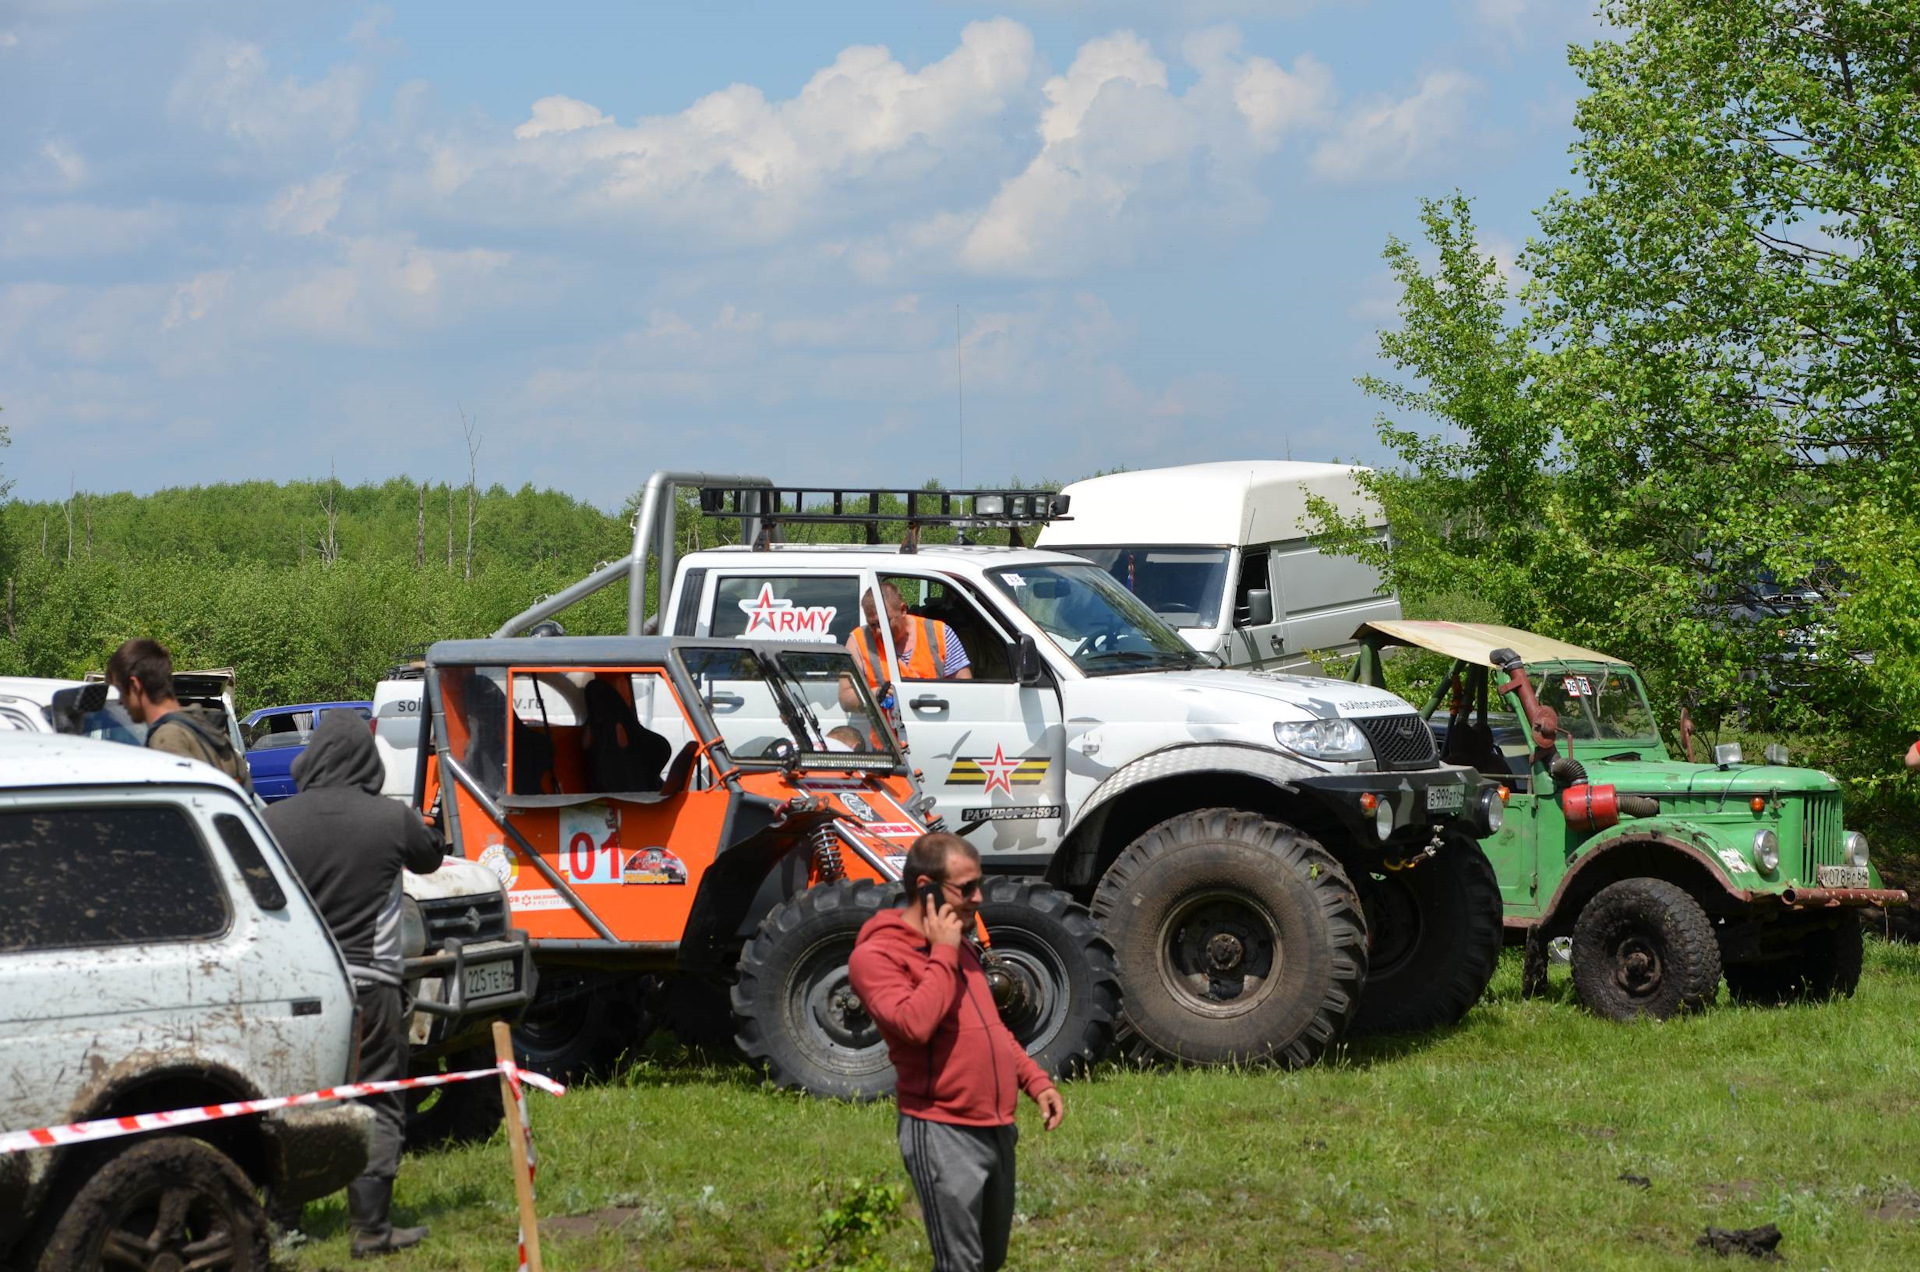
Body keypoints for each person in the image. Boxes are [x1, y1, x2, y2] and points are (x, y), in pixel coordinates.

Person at [263, 713, 444, 1258]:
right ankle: (370, 1230)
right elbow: (431, 856)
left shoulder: (274, 821)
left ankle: (283, 1223)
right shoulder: (390, 818)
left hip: (299, 991)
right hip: (371, 985)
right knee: (378, 1102)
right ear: (367, 760)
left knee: (294, 1106)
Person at [847, 832, 1063, 1272]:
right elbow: (914, 1024)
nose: (978, 898)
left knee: (989, 1260)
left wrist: (1034, 1080)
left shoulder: (960, 945)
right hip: (943, 1131)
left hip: (996, 1127)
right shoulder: (877, 956)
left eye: (978, 885)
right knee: (960, 1264)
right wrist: (942, 952)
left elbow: (990, 1027)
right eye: (966, 888)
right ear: (925, 885)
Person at [105, 638, 252, 793]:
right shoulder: (210, 729)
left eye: (120, 692)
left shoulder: (166, 739)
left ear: (135, 686)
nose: (120, 701)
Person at [839, 582, 971, 712]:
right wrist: (877, 694)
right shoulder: (858, 640)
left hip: (934, 728)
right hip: (886, 733)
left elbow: (966, 688)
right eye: (872, 625)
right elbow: (845, 699)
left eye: (884, 622)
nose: (879, 630)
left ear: (903, 610)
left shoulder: (940, 632)